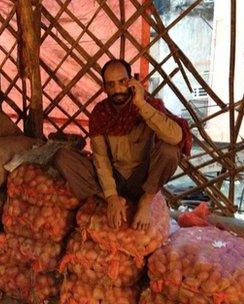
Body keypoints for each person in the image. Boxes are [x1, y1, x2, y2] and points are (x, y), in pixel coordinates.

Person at [54, 59, 192, 230]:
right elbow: (101, 159)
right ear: (105, 87)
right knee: (62, 157)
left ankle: (144, 201)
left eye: (122, 82)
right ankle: (109, 199)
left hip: (143, 180)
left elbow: (176, 137)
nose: (117, 89)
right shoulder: (100, 114)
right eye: (111, 85)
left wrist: (141, 105)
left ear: (131, 81)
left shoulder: (147, 104)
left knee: (170, 151)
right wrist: (111, 197)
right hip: (115, 178)